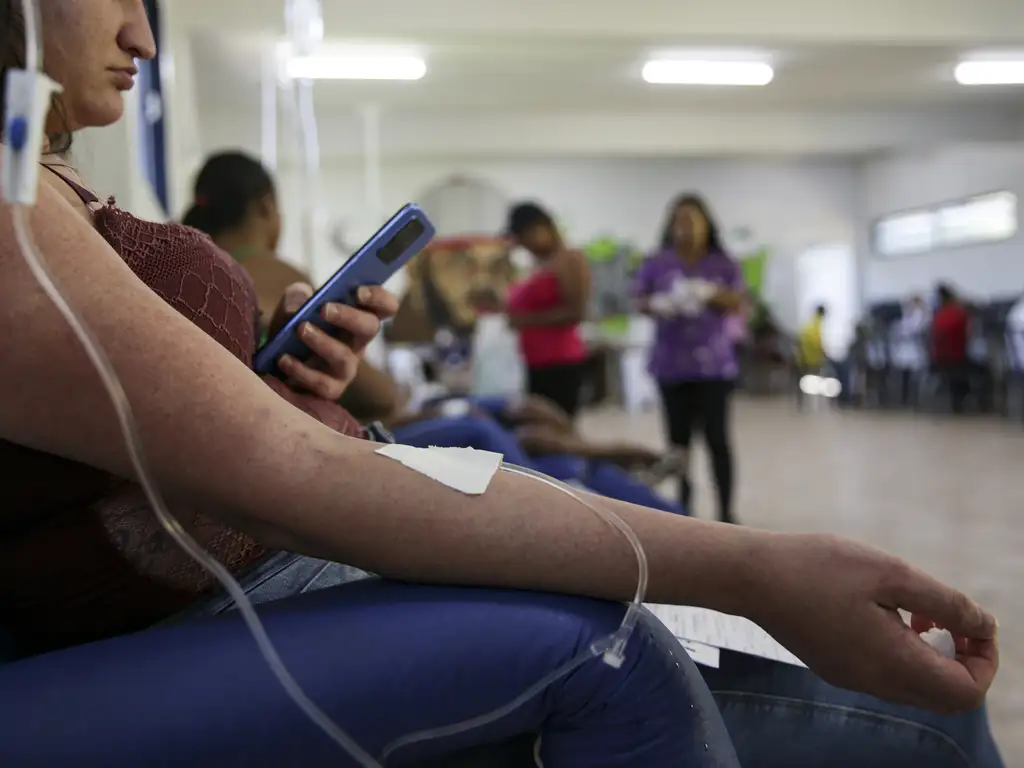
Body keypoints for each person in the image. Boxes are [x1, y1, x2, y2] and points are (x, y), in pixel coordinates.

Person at [0, 4, 1004, 766]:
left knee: (542, 469)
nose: (144, 29)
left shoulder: (43, 184)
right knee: (927, 722)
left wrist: (286, 380)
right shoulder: (10, 206)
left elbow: (213, 438)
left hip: (296, 513)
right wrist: (755, 569)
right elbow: (287, 470)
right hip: (260, 567)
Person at [634, 194, 745, 524]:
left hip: (714, 367)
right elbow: (638, 299)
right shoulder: (658, 262)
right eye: (680, 221)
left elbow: (738, 300)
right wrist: (658, 304)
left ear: (707, 224)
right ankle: (684, 511)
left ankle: (726, 512)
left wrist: (710, 293)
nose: (687, 228)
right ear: (671, 226)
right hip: (672, 365)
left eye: (693, 221)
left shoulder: (722, 262)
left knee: (718, 440)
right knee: (677, 444)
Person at [502, 202, 591, 418]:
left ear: (542, 227)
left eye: (526, 238)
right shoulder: (535, 266)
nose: (525, 246)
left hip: (561, 362)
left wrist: (526, 321)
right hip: (534, 361)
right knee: (537, 426)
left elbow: (575, 312)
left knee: (556, 429)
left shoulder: (569, 260)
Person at [932, 283, 971, 413]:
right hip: (955, 357)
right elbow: (967, 335)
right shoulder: (959, 313)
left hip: (938, 357)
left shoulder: (939, 314)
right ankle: (961, 403)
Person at [892, 295, 930, 406]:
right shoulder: (904, 316)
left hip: (917, 351)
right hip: (904, 351)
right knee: (905, 378)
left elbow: (917, 329)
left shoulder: (923, 316)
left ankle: (916, 400)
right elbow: (899, 331)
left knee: (917, 378)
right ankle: (905, 400)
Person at [795, 304, 828, 409]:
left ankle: (802, 404)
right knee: (815, 381)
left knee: (802, 381)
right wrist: (823, 352)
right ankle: (815, 404)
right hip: (812, 358)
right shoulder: (816, 324)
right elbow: (817, 342)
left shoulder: (809, 323)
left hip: (802, 357)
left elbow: (800, 339)